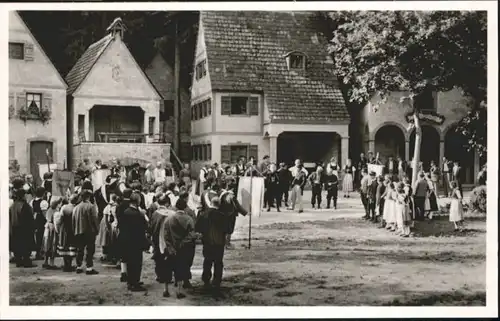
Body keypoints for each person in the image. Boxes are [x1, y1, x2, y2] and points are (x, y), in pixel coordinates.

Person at [159, 197, 197, 298]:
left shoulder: (169, 219)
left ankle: (165, 290)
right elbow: (192, 235)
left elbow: (165, 235)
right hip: (183, 249)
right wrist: (183, 243)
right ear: (185, 207)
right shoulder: (189, 219)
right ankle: (179, 291)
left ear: (176, 207)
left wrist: (170, 247)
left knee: (167, 269)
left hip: (170, 249)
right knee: (180, 269)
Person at [196, 196, 231, 297]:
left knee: (207, 261)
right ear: (219, 205)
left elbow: (198, 227)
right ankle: (216, 282)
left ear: (211, 203)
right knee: (218, 262)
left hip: (207, 242)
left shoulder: (203, 214)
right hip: (219, 243)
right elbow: (228, 230)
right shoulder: (222, 216)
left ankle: (206, 280)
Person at [121, 192, 149, 291]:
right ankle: (135, 283)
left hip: (127, 241)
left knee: (129, 262)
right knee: (137, 263)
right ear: (137, 201)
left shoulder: (125, 212)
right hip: (136, 241)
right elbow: (144, 227)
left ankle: (130, 281)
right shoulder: (138, 214)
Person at [72, 190, 99, 275]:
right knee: (90, 249)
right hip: (89, 231)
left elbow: (73, 221)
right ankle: (89, 268)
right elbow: (94, 219)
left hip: (78, 230)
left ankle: (79, 266)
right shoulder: (91, 206)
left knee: (80, 249)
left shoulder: (76, 207)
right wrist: (97, 229)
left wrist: (74, 230)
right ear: (89, 197)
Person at [10, 185, 36, 268]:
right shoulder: (24, 206)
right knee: (25, 245)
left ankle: (19, 261)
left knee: (17, 245)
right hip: (24, 228)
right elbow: (29, 218)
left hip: (14, 228)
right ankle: (26, 261)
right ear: (23, 195)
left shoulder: (13, 206)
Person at [219, 181, 248, 249]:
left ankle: (223, 243)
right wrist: (245, 213)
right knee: (229, 230)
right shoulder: (231, 196)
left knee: (224, 229)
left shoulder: (222, 195)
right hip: (231, 215)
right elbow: (237, 206)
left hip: (223, 215)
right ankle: (227, 244)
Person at [58, 194, 78, 272]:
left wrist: (59, 227)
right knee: (71, 246)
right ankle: (69, 264)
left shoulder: (64, 207)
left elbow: (60, 219)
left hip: (65, 228)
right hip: (73, 229)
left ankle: (66, 264)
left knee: (65, 245)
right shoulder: (76, 208)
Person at [96, 194, 117, 264]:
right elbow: (106, 218)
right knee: (105, 239)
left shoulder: (110, 206)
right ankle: (105, 255)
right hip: (106, 223)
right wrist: (108, 227)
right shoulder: (108, 207)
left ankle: (109, 254)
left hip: (109, 223)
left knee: (110, 240)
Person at [42, 198, 61, 269]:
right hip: (52, 228)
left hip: (47, 228)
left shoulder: (48, 210)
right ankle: (51, 263)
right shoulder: (56, 211)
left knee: (46, 245)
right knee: (53, 245)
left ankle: (46, 261)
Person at [31, 187, 49, 260]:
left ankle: (38, 252)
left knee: (37, 236)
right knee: (41, 236)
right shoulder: (43, 202)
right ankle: (39, 253)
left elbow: (32, 211)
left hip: (35, 219)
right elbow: (44, 213)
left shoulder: (32, 201)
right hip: (41, 220)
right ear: (43, 193)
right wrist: (48, 219)